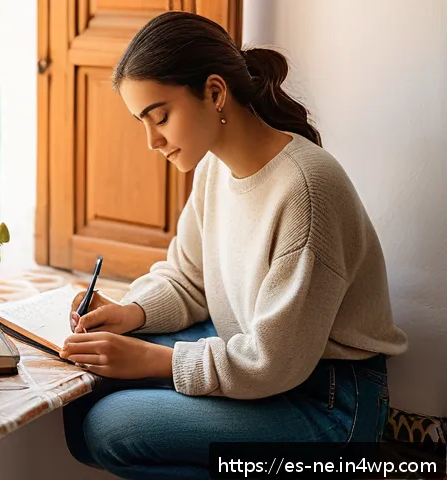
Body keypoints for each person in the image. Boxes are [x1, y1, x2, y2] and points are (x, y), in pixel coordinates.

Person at [58, 11, 409, 480]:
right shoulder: (213, 169)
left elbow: (273, 363)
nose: (151, 141)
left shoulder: (306, 191)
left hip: (329, 406)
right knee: (86, 392)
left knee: (112, 428)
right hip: (262, 362)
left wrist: (152, 359)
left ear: (215, 92)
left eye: (159, 117)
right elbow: (188, 279)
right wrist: (131, 313)